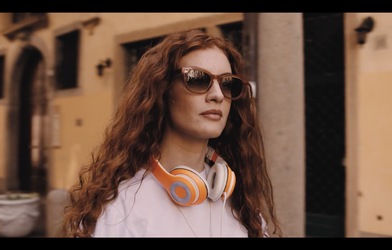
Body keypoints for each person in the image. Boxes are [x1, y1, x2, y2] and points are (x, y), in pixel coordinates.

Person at [61, 29, 282, 238]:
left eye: (226, 83)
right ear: (163, 91)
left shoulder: (239, 203)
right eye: (198, 79)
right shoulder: (120, 208)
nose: (217, 95)